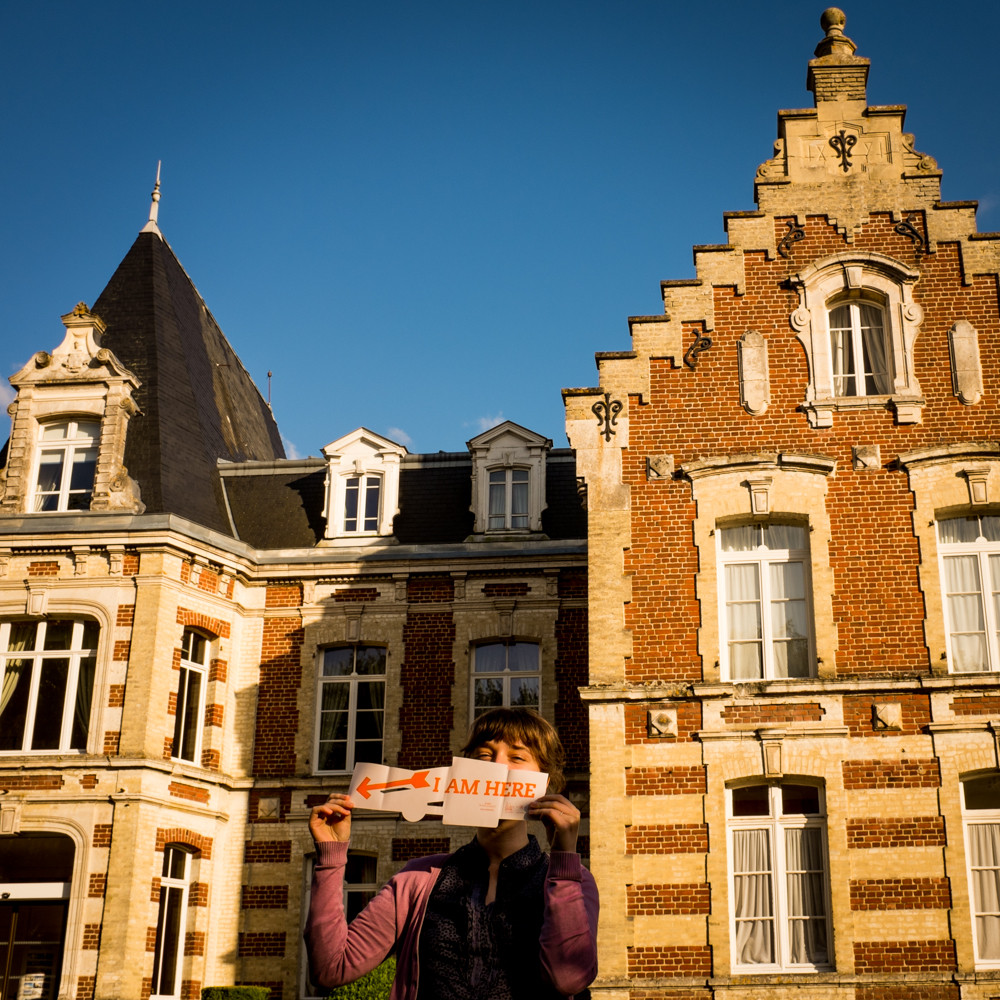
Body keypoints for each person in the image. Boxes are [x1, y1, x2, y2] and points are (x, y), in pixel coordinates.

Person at [305, 707, 599, 999]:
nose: (496, 767)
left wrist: (564, 860)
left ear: (545, 783)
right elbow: (331, 968)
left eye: (517, 757)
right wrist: (331, 856)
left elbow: (568, 980)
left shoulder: (573, 880)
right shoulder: (416, 879)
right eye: (484, 756)